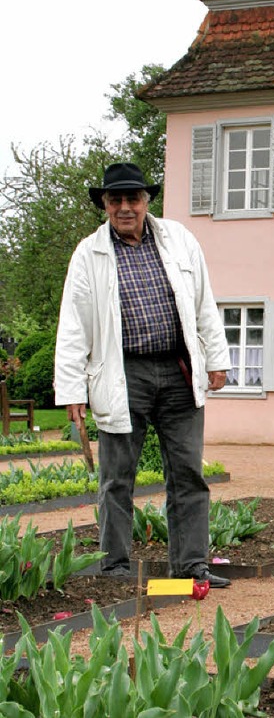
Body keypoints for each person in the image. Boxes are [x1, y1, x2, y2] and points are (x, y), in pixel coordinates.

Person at [55, 162, 232, 586]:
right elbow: (73, 325)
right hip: (121, 373)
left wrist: (216, 358)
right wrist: (71, 389)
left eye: (133, 198)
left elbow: (204, 302)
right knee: (117, 477)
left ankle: (191, 567)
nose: (125, 207)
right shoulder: (88, 253)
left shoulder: (179, 240)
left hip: (177, 369)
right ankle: (114, 567)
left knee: (188, 472)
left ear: (146, 201)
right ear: (104, 205)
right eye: (115, 200)